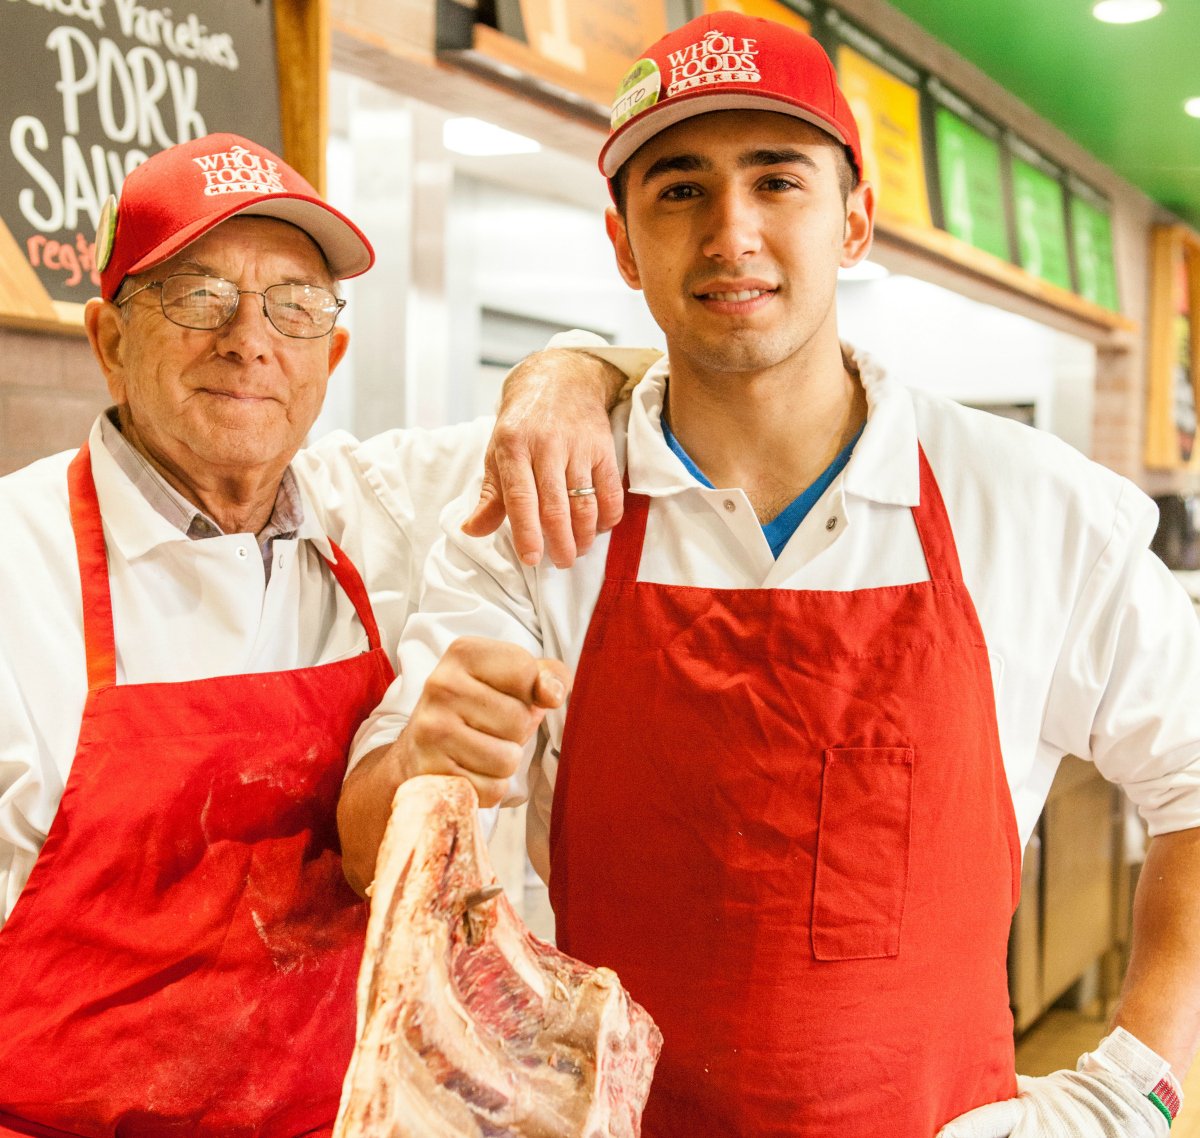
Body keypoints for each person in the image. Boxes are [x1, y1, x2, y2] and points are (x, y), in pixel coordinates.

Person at [340, 13, 1200, 1138]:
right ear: (622, 243)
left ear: (854, 221)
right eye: (680, 189)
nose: (730, 233)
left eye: (777, 180)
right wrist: (417, 759)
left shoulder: (1030, 505)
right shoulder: (538, 516)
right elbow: (369, 846)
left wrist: (1135, 1090)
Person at [0, 132, 648, 1137]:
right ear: (108, 340)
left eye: (294, 304)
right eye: (197, 294)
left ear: (333, 355)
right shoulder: (14, 560)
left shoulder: (377, 508)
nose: (249, 339)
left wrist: (562, 374)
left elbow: (660, 391)